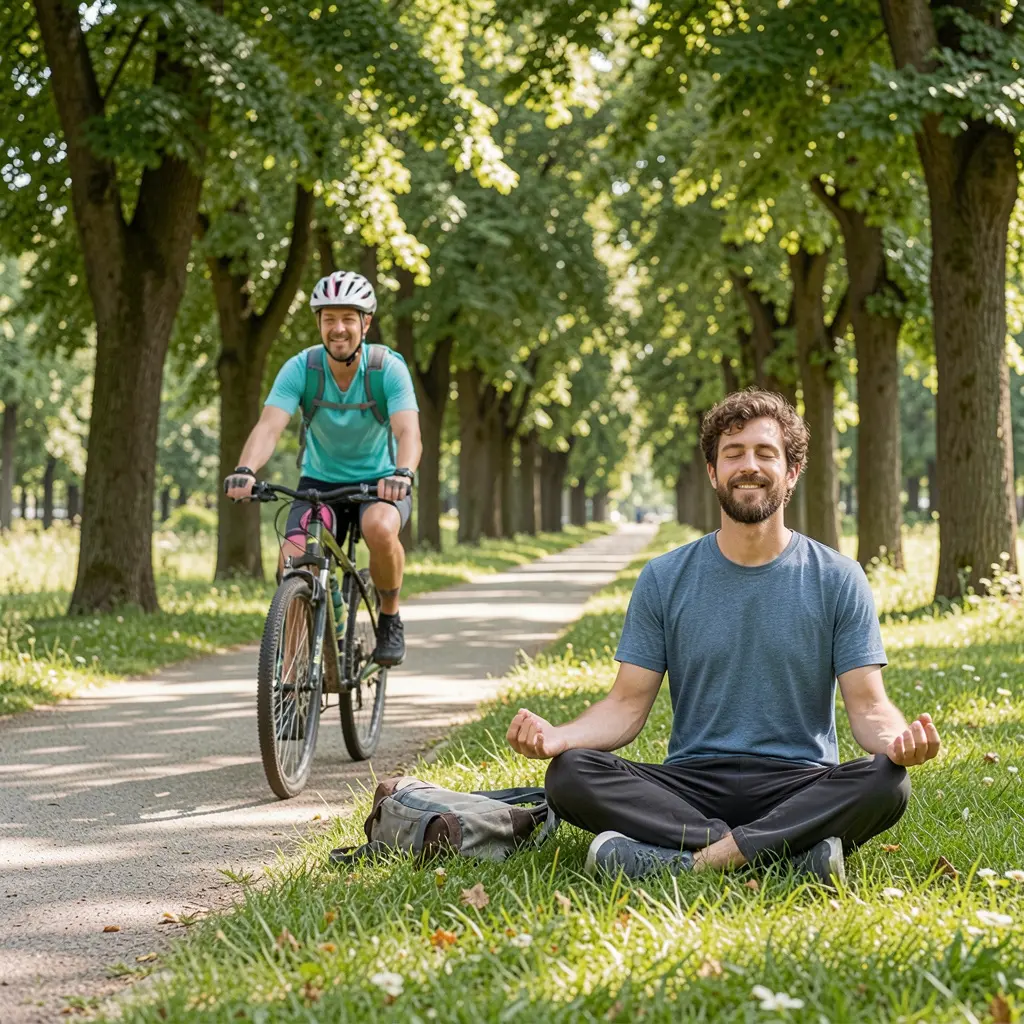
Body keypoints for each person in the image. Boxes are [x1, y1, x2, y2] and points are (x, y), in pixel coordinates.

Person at [506, 388, 940, 885]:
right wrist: (561, 738)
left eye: (764, 453)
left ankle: (691, 859)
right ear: (713, 471)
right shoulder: (663, 577)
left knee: (887, 781)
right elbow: (626, 706)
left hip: (797, 782)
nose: (748, 465)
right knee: (570, 774)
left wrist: (897, 741)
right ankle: (788, 852)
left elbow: (868, 706)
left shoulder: (838, 577)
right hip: (692, 784)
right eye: (733, 454)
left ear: (792, 472)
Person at [224, 270, 422, 667]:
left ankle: (389, 616)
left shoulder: (387, 368)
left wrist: (402, 473)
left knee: (380, 529)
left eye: (348, 318)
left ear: (365, 322)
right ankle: (296, 677)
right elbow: (269, 426)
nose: (338, 328)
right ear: (318, 322)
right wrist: (245, 468)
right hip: (319, 483)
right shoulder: (302, 368)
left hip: (379, 483)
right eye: (329, 318)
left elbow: (408, 431)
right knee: (292, 560)